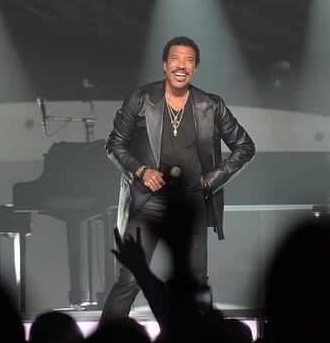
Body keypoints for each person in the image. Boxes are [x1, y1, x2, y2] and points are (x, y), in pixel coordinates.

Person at [99, 36, 255, 324]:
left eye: (189, 61)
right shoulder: (141, 99)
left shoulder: (211, 105)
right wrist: (142, 171)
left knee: (195, 281)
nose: (181, 66)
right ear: (164, 64)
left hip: (191, 203)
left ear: (194, 69)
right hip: (148, 201)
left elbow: (246, 147)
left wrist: (210, 180)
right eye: (176, 59)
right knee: (131, 277)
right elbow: (114, 144)